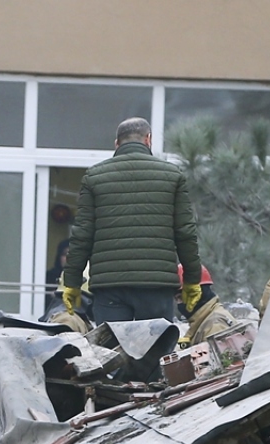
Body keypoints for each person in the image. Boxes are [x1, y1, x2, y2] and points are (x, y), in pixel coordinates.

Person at [61, 117, 203, 324]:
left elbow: (82, 234)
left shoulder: (94, 177)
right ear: (149, 140)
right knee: (155, 352)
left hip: (110, 287)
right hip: (156, 286)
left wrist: (71, 282)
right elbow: (185, 233)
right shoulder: (172, 176)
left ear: (117, 143)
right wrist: (192, 279)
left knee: (111, 351)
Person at [177, 264, 237, 346]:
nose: (179, 304)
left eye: (180, 298)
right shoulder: (202, 323)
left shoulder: (215, 325)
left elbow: (224, 358)